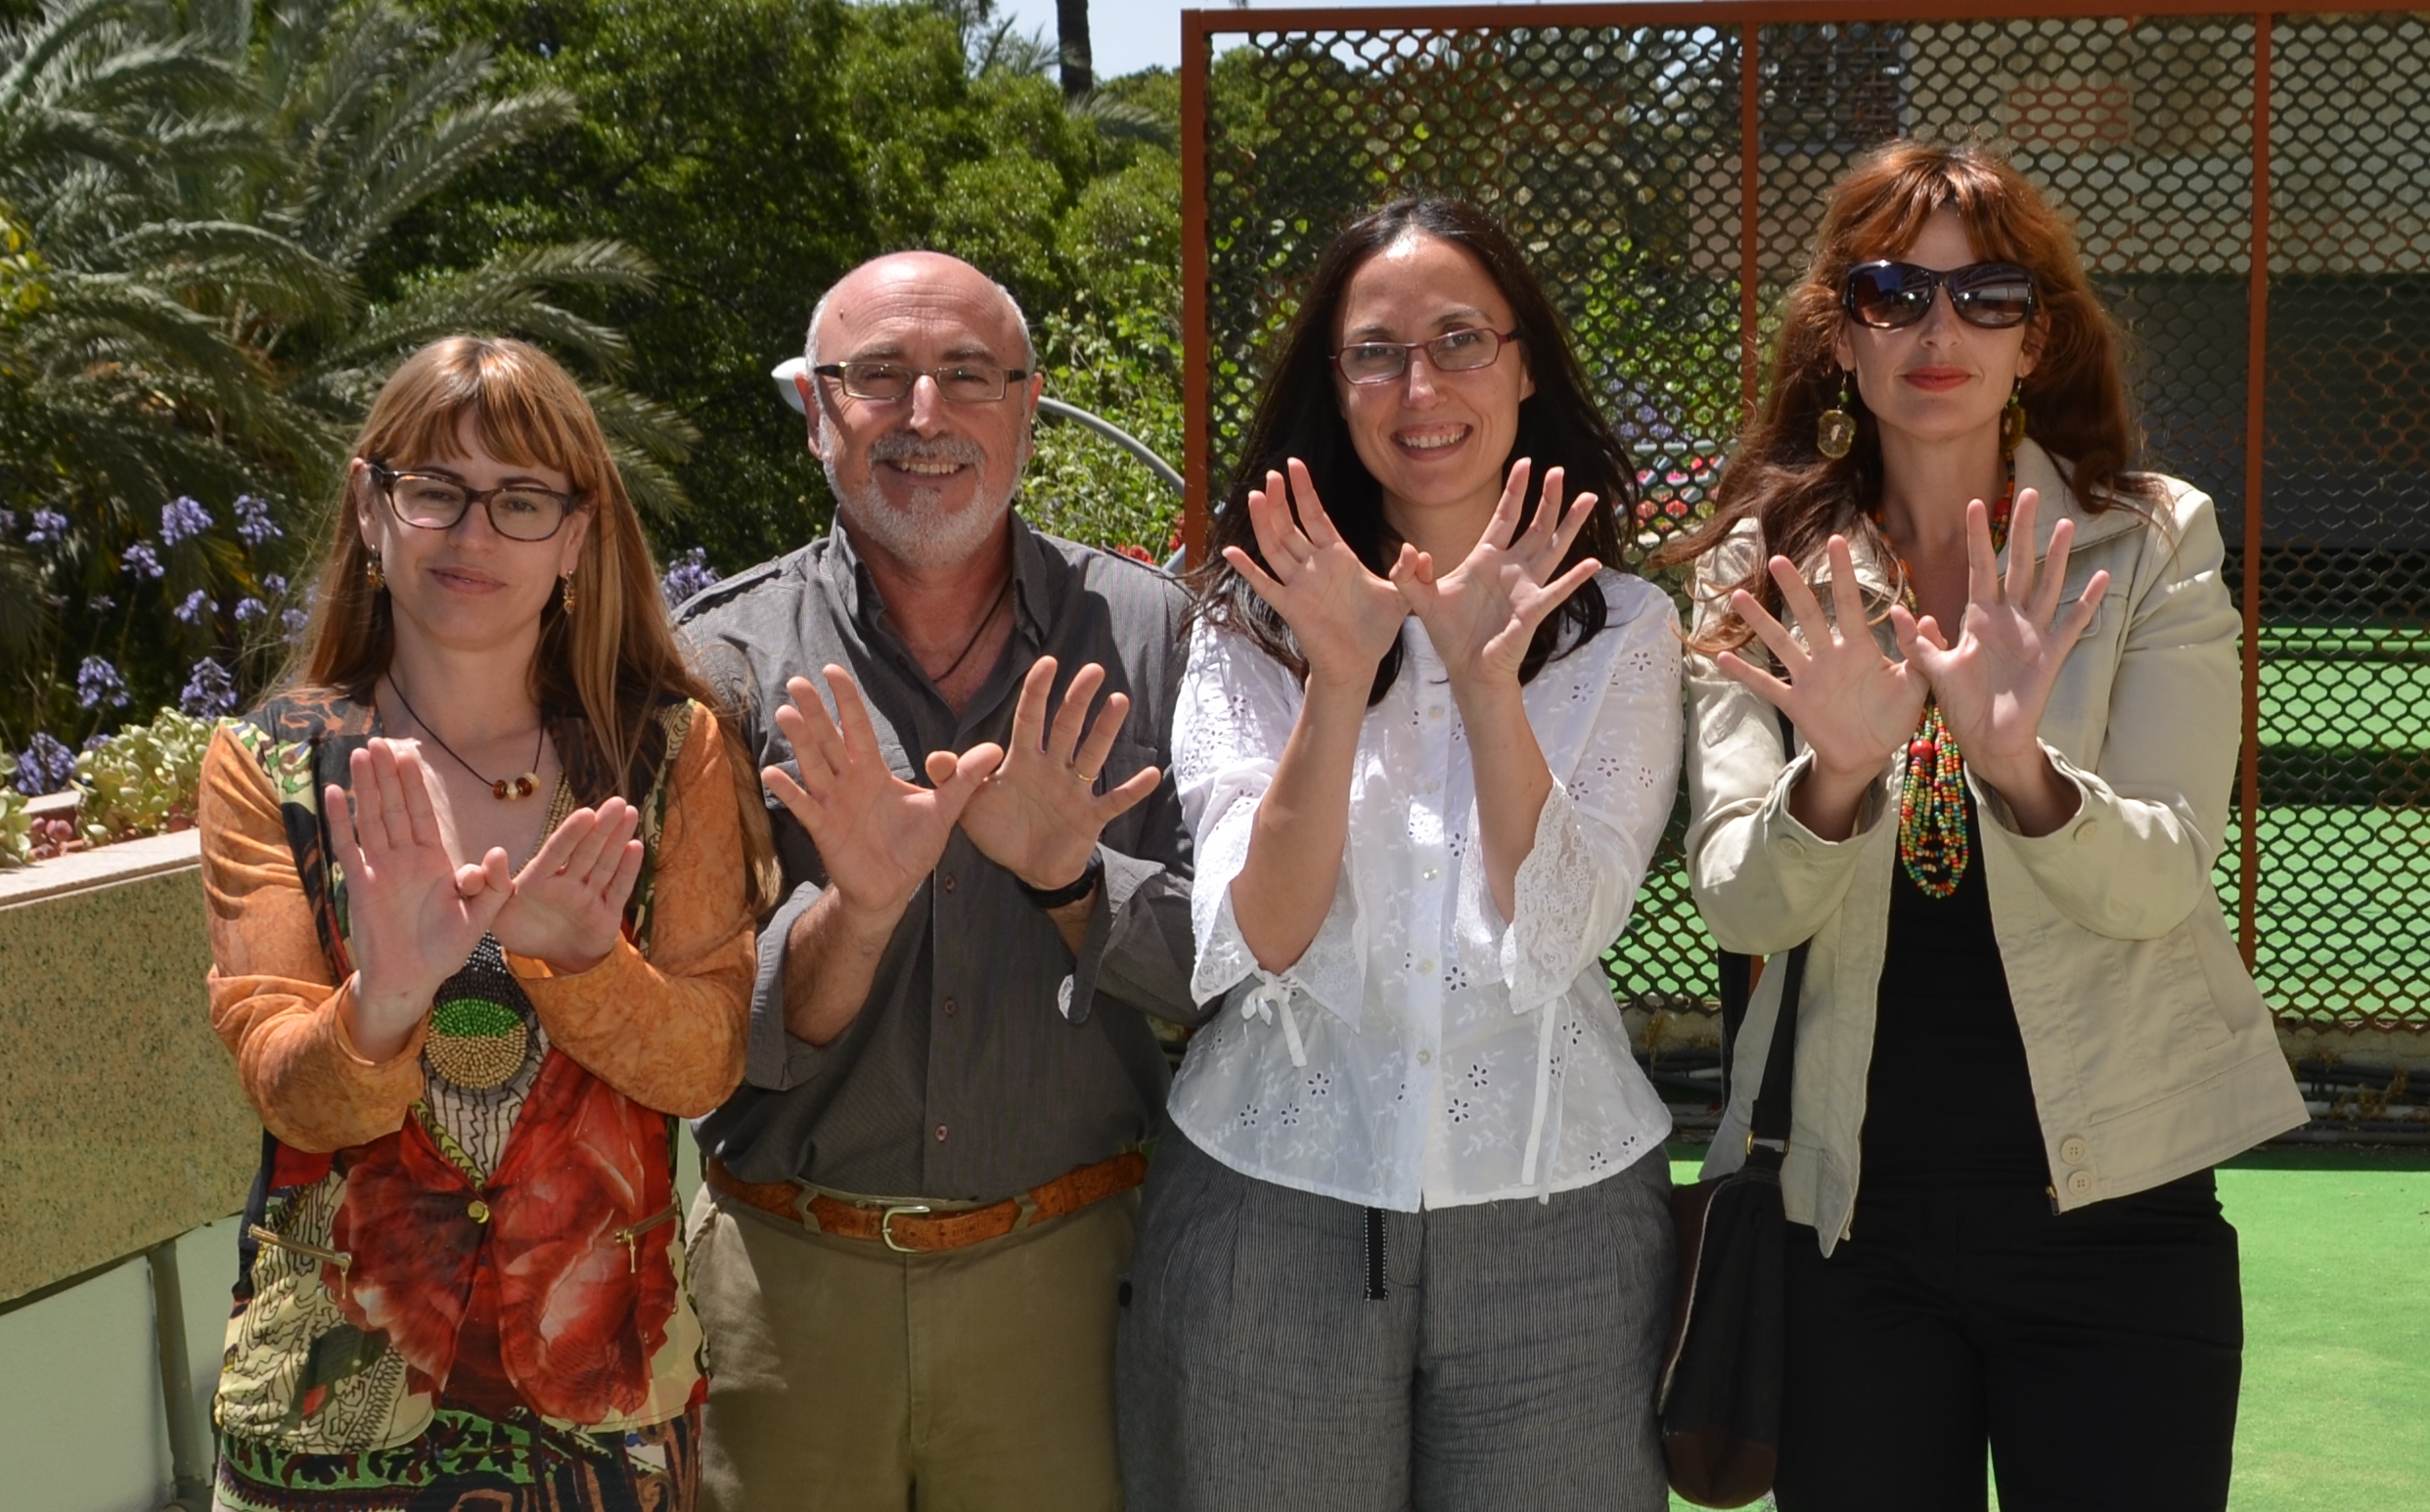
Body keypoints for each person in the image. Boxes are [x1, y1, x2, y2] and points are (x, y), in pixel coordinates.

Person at [1668, 141, 2309, 1510]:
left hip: (2120, 1217)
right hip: (1845, 1231)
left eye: (1985, 295)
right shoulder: (1759, 565)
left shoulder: (2148, 544)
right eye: (1893, 293)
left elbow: (2157, 876)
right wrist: (1833, 776)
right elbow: (1736, 897)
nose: (1937, 331)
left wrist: (2022, 771)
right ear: (1840, 332)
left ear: (2037, 338)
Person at [1118, 197, 1684, 1511]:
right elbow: (1261, 929)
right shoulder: (1251, 618)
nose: (1418, 385)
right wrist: (1338, 674)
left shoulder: (1625, 628)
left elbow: (1552, 934)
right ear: (1336, 384)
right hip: (1271, 1206)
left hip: (1560, 1221)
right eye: (1374, 350)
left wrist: (1489, 688)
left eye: (1459, 339)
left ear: (1525, 362)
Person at [198, 335, 771, 1510]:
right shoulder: (267, 764)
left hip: (601, 1393)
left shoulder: (669, 754)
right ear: (370, 507)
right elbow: (287, 1090)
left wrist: (582, 965)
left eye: (519, 501)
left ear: (575, 534)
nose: (472, 535)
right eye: (435, 492)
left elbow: (707, 1057)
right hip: (328, 1398)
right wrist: (384, 1000)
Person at [673, 250, 1198, 1512]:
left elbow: (1231, 964)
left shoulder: (1152, 635)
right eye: (876, 378)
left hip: (1068, 1290)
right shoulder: (718, 661)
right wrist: (854, 914)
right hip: (788, 1296)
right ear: (816, 414)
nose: (924, 416)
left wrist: (1072, 879)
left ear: (1025, 405)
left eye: (966, 376)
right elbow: (689, 1028)